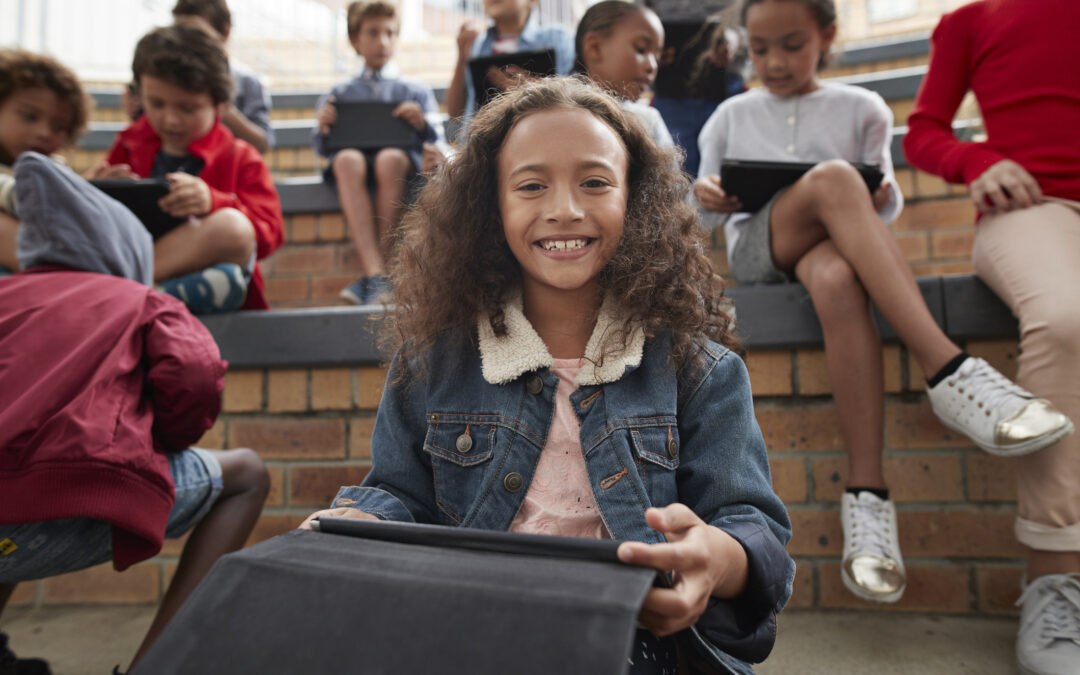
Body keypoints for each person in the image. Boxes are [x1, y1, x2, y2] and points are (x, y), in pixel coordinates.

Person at [300, 77, 793, 675]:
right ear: (491, 207)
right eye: (531, 185)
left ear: (635, 199)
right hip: (475, 638)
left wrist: (714, 557)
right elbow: (400, 494)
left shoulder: (699, 371)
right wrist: (361, 519)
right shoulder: (430, 363)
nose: (564, 209)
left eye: (595, 182)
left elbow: (754, 531)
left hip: (640, 649)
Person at [694, 0, 1073, 605]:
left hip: (829, 254)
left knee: (837, 277)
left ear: (827, 36)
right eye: (760, 50)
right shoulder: (730, 114)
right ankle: (948, 369)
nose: (774, 62)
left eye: (792, 45)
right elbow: (707, 214)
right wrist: (708, 195)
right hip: (764, 248)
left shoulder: (864, 108)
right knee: (835, 180)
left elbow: (883, 207)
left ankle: (866, 496)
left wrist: (877, 192)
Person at [0, 152, 270, 673]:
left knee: (16, 465)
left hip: (13, 510)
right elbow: (194, 378)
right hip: (75, 502)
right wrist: (161, 438)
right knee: (247, 476)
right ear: (127, 251)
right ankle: (156, 663)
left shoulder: (7, 294)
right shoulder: (143, 299)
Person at [903, 2, 1080, 672]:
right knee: (1064, 318)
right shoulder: (971, 22)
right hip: (1034, 207)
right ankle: (1056, 573)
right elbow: (924, 131)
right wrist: (977, 161)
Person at [90, 23, 284, 314]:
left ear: (220, 105)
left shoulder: (242, 157)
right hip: (136, 259)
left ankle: (132, 292)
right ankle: (147, 293)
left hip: (202, 279)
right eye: (156, 104)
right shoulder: (128, 145)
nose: (170, 120)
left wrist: (214, 202)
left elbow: (269, 234)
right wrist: (96, 188)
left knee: (232, 227)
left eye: (187, 108)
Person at [313, 0, 439, 306]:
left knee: (390, 158)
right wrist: (325, 127)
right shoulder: (338, 93)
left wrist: (421, 123)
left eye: (390, 33)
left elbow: (437, 140)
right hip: (353, 162)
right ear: (355, 40)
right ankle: (377, 274)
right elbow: (321, 147)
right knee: (347, 159)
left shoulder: (415, 91)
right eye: (372, 32)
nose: (382, 41)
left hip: (396, 164)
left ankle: (375, 278)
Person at [0, 48, 88, 275]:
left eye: (58, 127)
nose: (44, 133)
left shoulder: (54, 168)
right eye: (30, 117)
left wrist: (92, 190)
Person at [445, 0, 574, 136]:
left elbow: (574, 99)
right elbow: (455, 114)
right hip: (482, 143)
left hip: (538, 137)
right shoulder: (476, 44)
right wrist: (462, 56)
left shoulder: (556, 39)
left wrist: (534, 90)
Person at [170, 0, 276, 154]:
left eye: (199, 36)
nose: (187, 44)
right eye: (179, 33)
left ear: (225, 32)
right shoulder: (163, 82)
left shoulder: (247, 83)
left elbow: (262, 144)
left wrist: (222, 107)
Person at [651, 13, 747, 175]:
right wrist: (651, 52)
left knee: (728, 171)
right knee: (676, 173)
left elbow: (750, 24)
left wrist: (734, 39)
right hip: (671, 97)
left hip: (725, 94)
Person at [573, 1, 674, 150]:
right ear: (595, 48)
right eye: (641, 49)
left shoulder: (648, 122)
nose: (652, 66)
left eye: (657, 57)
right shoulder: (559, 112)